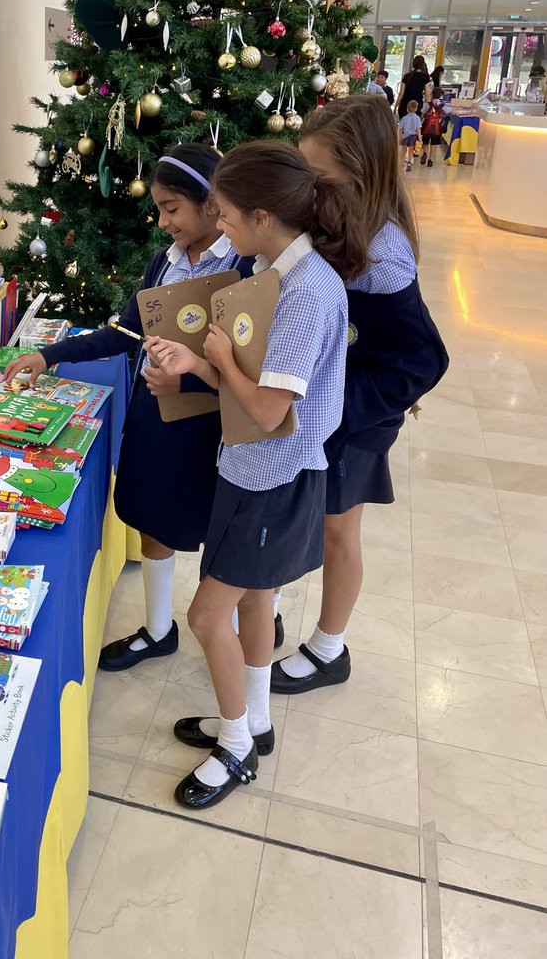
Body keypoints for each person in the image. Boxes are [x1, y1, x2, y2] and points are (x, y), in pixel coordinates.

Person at [146, 141, 368, 810]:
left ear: (264, 216)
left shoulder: (304, 292)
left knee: (205, 615)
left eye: (229, 216)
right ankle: (255, 722)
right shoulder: (275, 273)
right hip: (248, 468)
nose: (226, 231)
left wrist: (219, 356)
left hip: (274, 477)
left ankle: (237, 749)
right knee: (253, 602)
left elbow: (271, 409)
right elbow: (253, 388)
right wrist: (199, 366)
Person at [3, 145, 257, 672]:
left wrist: (194, 376)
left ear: (212, 205)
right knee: (149, 515)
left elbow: (252, 371)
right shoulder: (162, 262)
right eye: (160, 208)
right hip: (156, 419)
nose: (162, 221)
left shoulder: (245, 267)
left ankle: (232, 629)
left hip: (213, 429)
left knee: (220, 532)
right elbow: (124, 331)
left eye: (172, 209)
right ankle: (158, 629)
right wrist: (50, 355)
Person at [271, 96, 448, 697]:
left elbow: (423, 359)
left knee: (338, 530)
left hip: (356, 415)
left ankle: (328, 648)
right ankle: (262, 602)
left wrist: (342, 406)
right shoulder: (329, 219)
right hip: (319, 404)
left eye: (318, 177)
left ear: (360, 173)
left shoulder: (385, 254)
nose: (306, 188)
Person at [396, 56, 432, 120]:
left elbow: (401, 94)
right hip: (417, 106)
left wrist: (396, 106)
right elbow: (427, 94)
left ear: (413, 64)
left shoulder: (407, 76)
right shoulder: (425, 77)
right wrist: (431, 106)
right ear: (423, 64)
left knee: (403, 127)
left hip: (404, 106)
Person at [421, 86, 449, 166]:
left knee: (425, 142)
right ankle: (431, 160)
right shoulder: (442, 106)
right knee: (434, 144)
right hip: (437, 128)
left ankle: (425, 153)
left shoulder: (428, 104)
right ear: (441, 96)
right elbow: (452, 112)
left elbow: (422, 114)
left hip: (427, 126)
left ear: (432, 95)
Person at [399, 100, 423, 171]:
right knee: (411, 150)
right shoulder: (417, 118)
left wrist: (399, 138)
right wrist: (419, 138)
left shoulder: (404, 118)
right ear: (416, 109)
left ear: (407, 109)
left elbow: (400, 129)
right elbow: (418, 129)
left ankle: (402, 162)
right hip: (413, 136)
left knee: (404, 149)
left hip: (405, 136)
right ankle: (409, 162)